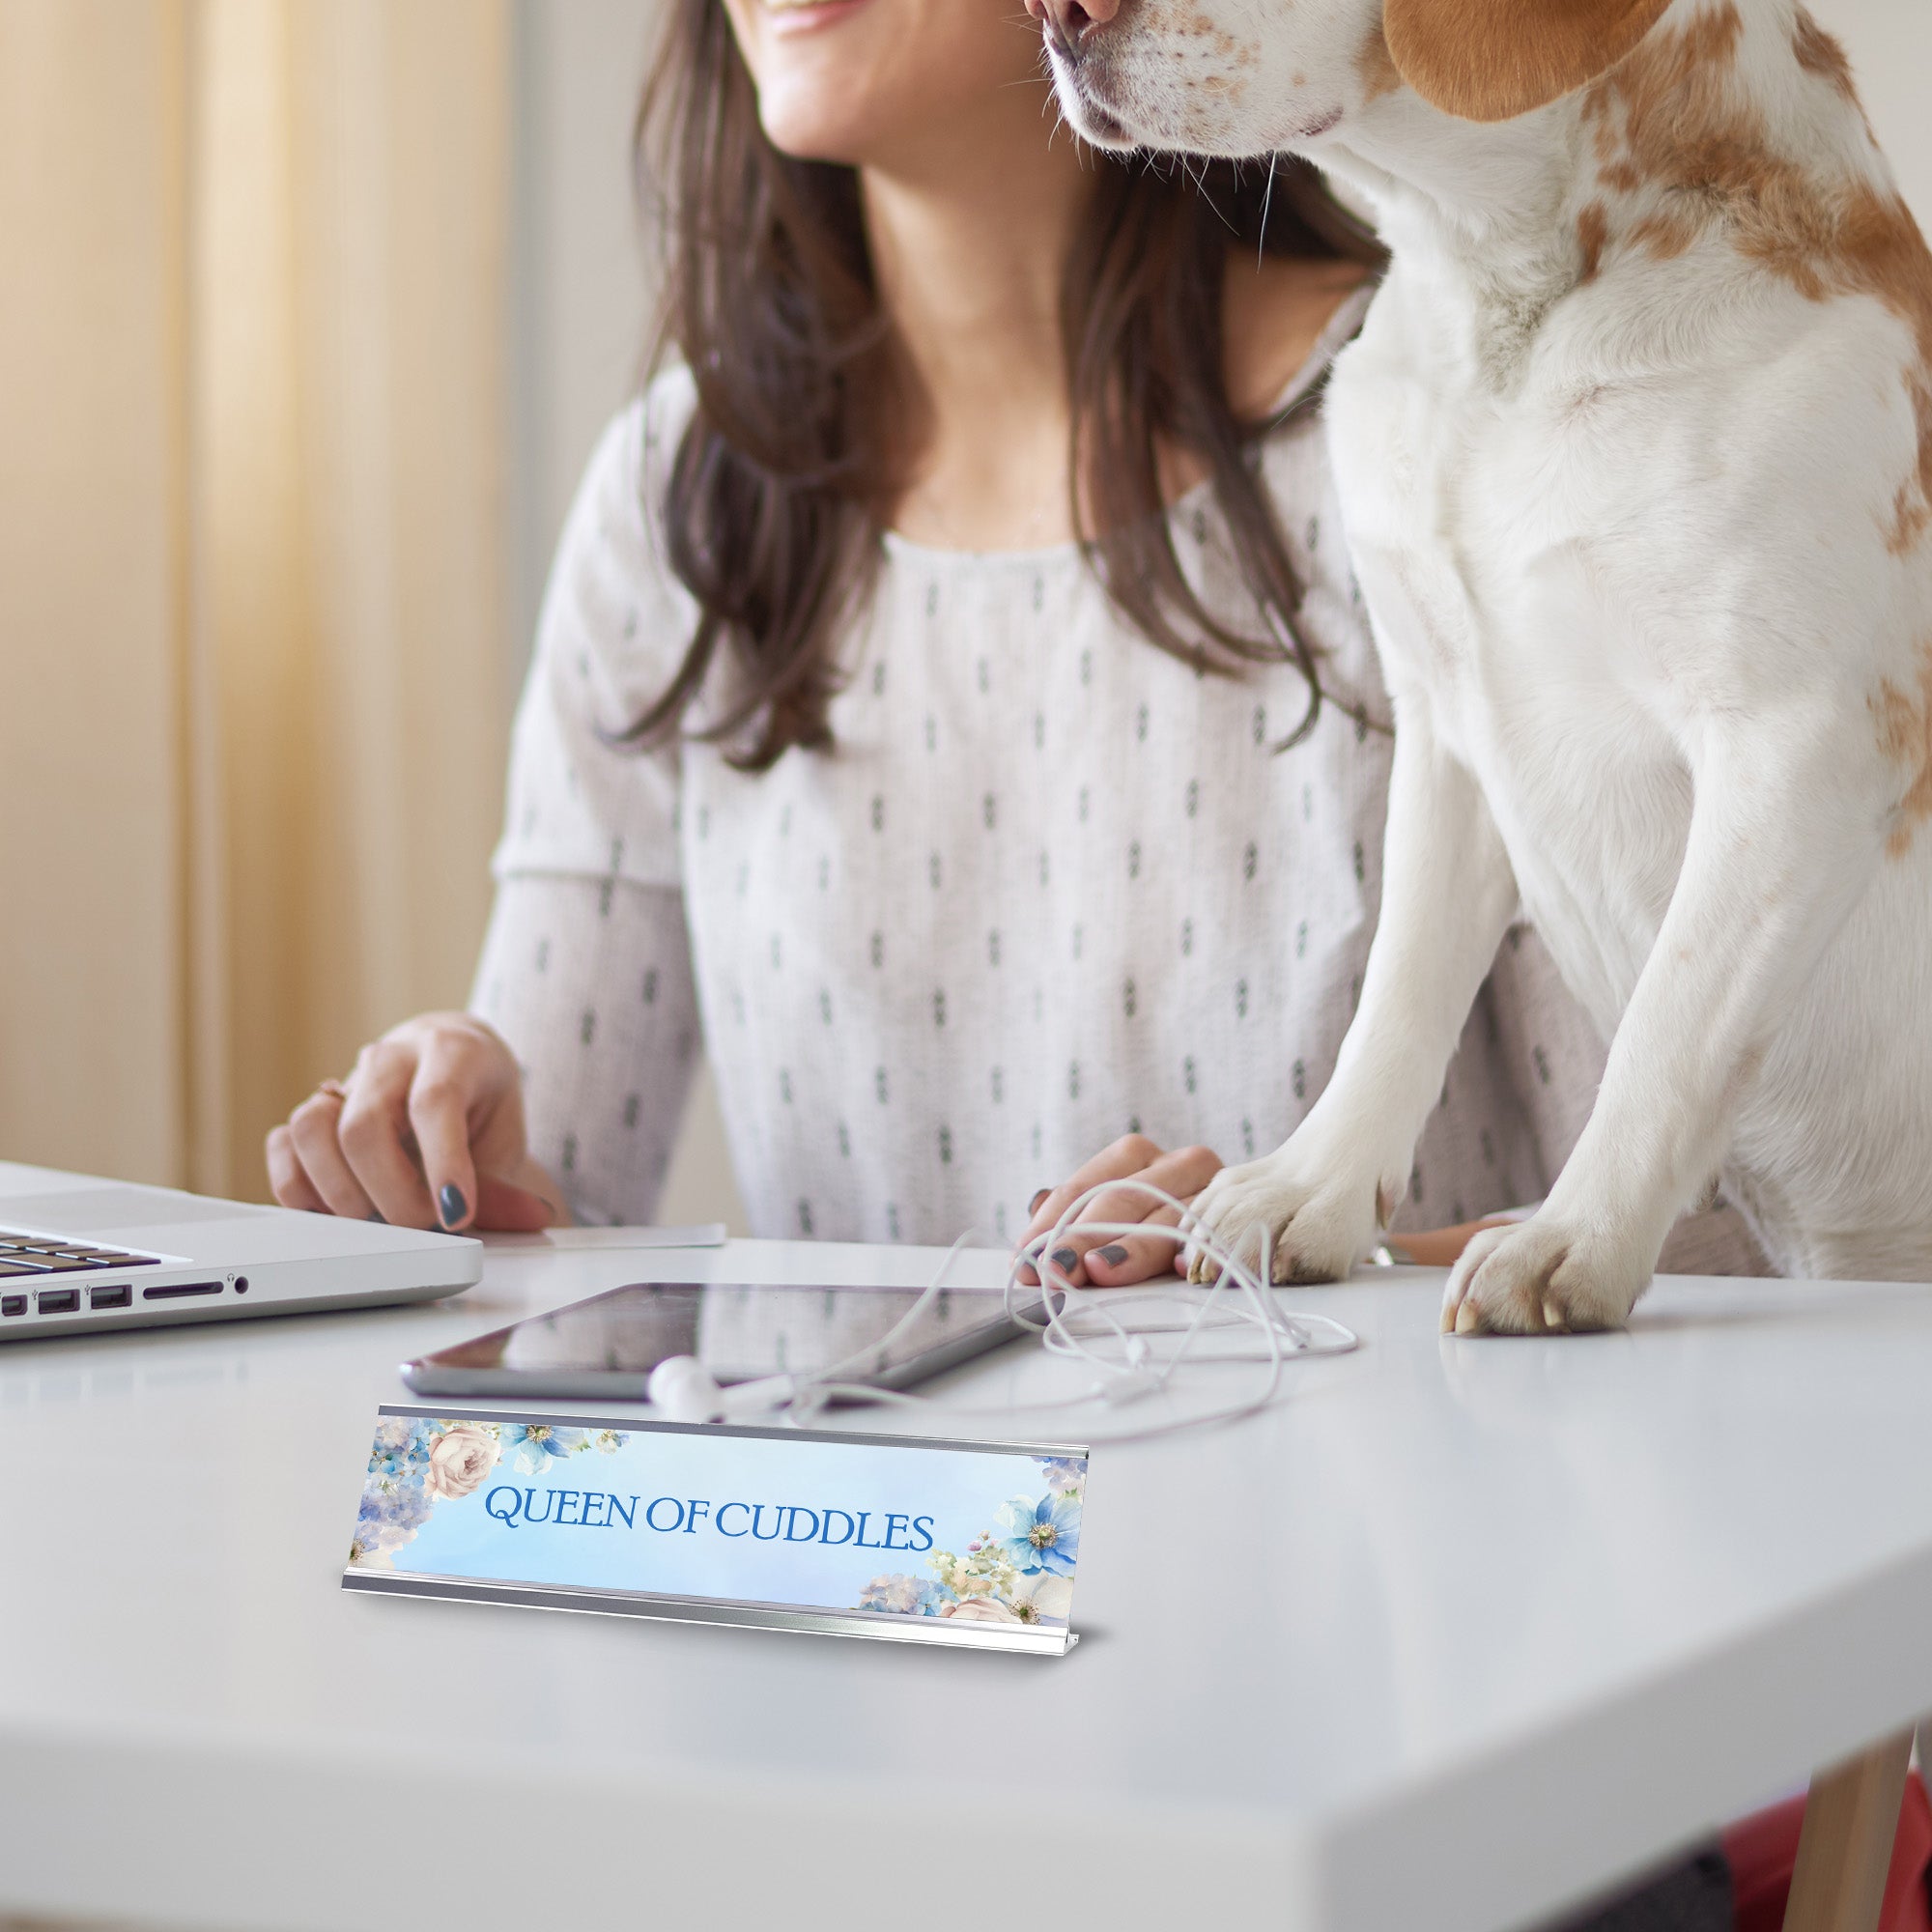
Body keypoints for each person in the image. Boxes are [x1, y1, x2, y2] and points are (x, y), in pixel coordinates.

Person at [266, 0, 1761, 1289]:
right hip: (867, 1599)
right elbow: (547, 1205)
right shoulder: (683, 498)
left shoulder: (1451, 445)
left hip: (1415, 1590)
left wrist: (1300, 1259)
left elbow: (1719, 1233)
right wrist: (448, 1151)